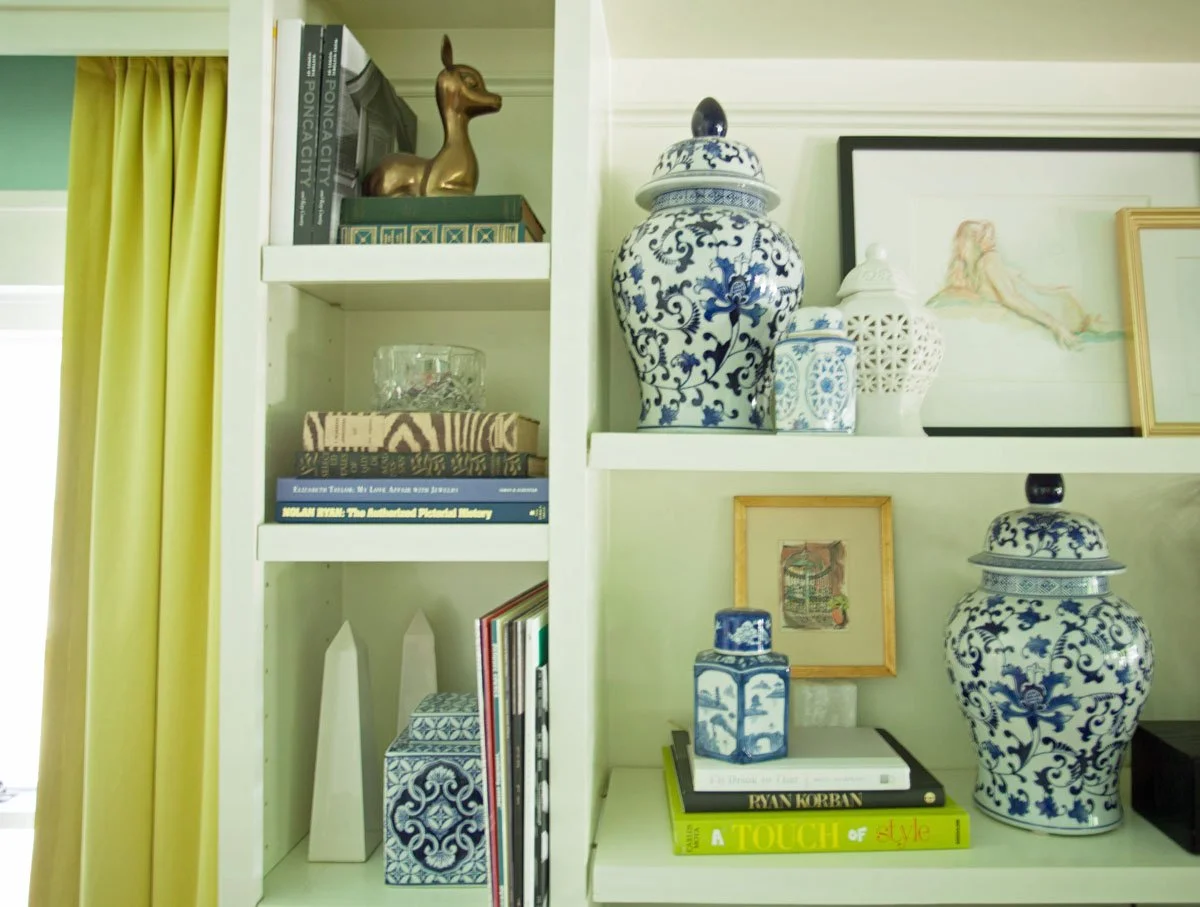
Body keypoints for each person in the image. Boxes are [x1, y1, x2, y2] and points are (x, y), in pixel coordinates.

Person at [928, 219, 1115, 350]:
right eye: (984, 234)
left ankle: (1091, 323)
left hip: (1058, 306)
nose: (991, 237)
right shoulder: (982, 264)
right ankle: (1092, 323)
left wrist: (1055, 315)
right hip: (1054, 305)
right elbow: (1011, 297)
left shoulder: (984, 263)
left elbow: (1017, 295)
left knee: (1092, 320)